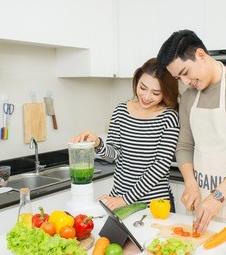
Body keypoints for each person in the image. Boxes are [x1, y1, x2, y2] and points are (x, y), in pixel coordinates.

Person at [157, 30, 226, 233]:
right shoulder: (190, 96)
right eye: (177, 78)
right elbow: (184, 145)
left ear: (200, 55)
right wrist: (191, 184)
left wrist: (217, 196)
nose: (184, 82)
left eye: (185, 73)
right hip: (201, 200)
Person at [71, 58, 180, 211]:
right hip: (118, 201)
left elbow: (160, 166)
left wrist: (125, 199)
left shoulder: (169, 117)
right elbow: (114, 155)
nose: (147, 97)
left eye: (156, 93)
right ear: (136, 81)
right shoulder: (121, 111)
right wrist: (97, 143)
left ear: (166, 92)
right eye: (143, 88)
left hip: (154, 206)